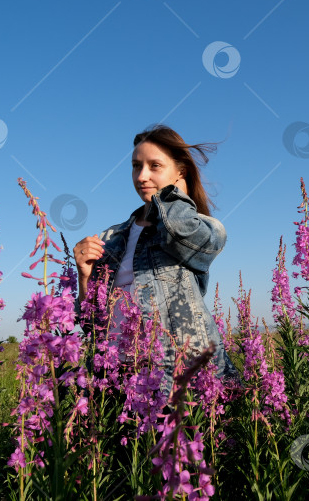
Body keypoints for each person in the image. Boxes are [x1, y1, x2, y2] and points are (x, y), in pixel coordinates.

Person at [73, 125, 239, 395]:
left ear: (180, 171)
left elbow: (176, 230)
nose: (142, 176)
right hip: (116, 380)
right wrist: (83, 275)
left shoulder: (205, 228)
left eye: (155, 166)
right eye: (136, 166)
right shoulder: (110, 238)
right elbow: (90, 325)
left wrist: (171, 194)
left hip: (177, 379)